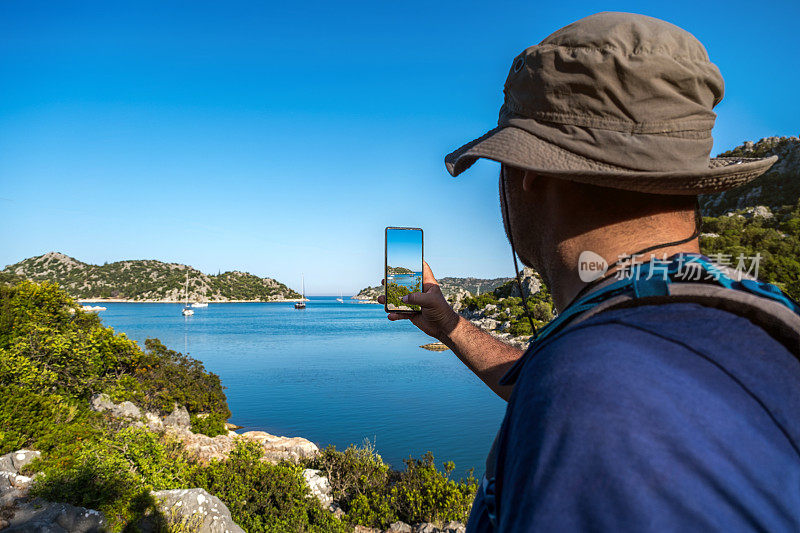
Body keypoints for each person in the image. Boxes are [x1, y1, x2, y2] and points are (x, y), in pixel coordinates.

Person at [378, 12, 800, 532]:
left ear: (528, 172)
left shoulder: (597, 398)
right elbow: (547, 381)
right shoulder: (747, 311)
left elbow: (595, 393)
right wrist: (449, 325)